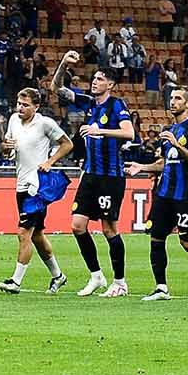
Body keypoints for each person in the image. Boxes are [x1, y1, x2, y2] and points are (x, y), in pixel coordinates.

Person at [51, 49, 135, 298]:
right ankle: (97, 276)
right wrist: (63, 63)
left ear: (110, 84)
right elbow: (57, 88)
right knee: (77, 225)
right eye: (94, 78)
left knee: (109, 229)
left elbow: (129, 133)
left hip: (110, 176)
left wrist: (101, 131)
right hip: (90, 175)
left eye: (99, 79)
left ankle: (120, 282)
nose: (95, 81)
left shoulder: (116, 104)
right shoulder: (88, 103)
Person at [126, 87, 188, 302]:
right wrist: (142, 167)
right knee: (156, 238)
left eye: (178, 98)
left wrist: (177, 145)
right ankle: (161, 288)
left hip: (185, 196)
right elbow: (165, 164)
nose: (173, 101)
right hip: (164, 194)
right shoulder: (169, 131)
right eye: (171, 98)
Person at [0, 87, 72, 295]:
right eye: (19, 104)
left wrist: (50, 161)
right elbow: (8, 148)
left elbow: (67, 144)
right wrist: (6, 147)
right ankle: (58, 276)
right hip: (21, 183)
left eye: (25, 105)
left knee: (23, 232)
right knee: (37, 235)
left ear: (36, 107)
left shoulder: (45, 123)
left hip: (36, 186)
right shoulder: (13, 120)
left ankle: (16, 281)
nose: (20, 108)